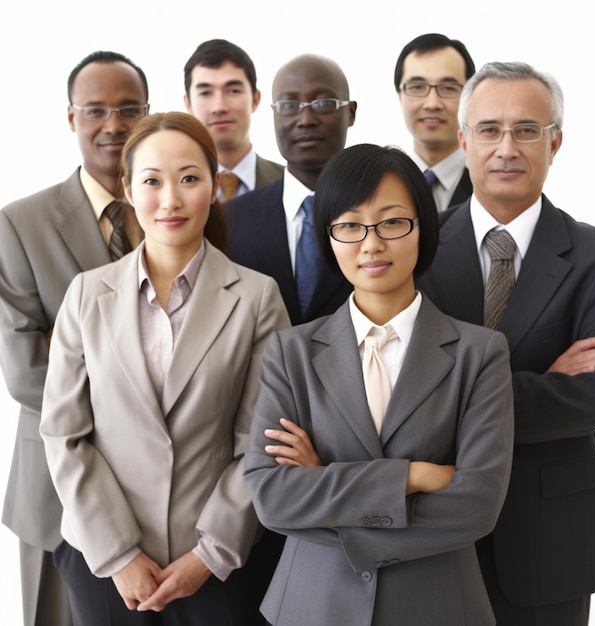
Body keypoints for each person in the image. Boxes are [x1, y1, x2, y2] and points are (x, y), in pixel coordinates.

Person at [244, 143, 515, 626]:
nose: (371, 244)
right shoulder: (291, 353)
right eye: (349, 225)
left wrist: (321, 479)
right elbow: (271, 496)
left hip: (437, 607)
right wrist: (412, 476)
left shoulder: (480, 353)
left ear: (421, 228)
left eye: (392, 222)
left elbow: (477, 506)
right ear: (329, 236)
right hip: (312, 605)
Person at [39, 111, 290, 626]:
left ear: (216, 186)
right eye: (152, 181)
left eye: (189, 179)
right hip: (103, 566)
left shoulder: (257, 297)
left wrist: (211, 553)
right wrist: (119, 555)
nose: (170, 199)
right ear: (128, 189)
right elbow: (64, 435)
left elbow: (262, 439)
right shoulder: (87, 294)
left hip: (217, 567)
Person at [416, 61, 595, 625]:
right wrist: (544, 382)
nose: (506, 147)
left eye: (527, 130)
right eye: (489, 129)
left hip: (549, 537)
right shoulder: (418, 251)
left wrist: (453, 401)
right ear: (464, 140)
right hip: (434, 532)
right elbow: (400, 392)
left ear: (555, 142)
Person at [0, 50, 150, 626]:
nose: (113, 125)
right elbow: (25, 373)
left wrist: (69, 345)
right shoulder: (21, 223)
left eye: (129, 109)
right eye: (96, 111)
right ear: (71, 119)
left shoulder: (174, 211)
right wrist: (144, 425)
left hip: (169, 494)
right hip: (55, 489)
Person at [226, 53, 357, 325]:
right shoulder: (230, 220)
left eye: (323, 103)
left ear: (351, 112)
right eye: (288, 105)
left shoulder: (379, 217)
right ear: (273, 114)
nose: (306, 119)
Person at [183, 38, 283, 200]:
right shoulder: (174, 192)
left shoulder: (290, 184)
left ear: (255, 99)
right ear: (188, 104)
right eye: (205, 93)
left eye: (233, 91)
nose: (219, 107)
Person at [394, 33, 475, 212]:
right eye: (417, 87)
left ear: (470, 98)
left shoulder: (494, 187)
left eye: (448, 88)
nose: (432, 104)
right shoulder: (380, 185)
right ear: (400, 96)